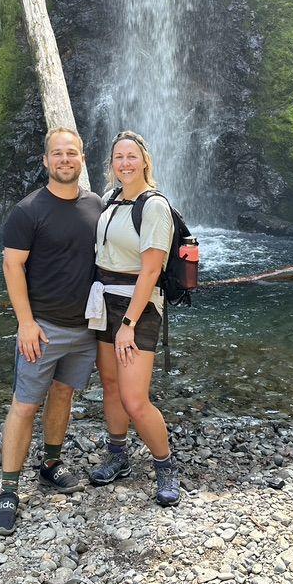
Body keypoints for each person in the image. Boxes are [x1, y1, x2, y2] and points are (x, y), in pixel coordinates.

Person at [0, 127, 103, 536]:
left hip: (85, 329)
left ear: (82, 158)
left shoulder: (96, 206)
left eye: (71, 153)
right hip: (43, 328)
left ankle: (50, 464)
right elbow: (12, 266)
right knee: (24, 404)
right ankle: (8, 490)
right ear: (45, 160)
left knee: (63, 394)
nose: (65, 159)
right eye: (57, 153)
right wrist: (25, 323)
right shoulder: (28, 211)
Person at [85, 130, 181, 506]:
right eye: (118, 157)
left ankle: (165, 465)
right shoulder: (111, 200)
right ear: (112, 164)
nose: (125, 163)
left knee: (135, 399)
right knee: (110, 386)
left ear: (144, 161)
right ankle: (118, 456)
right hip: (103, 302)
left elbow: (151, 270)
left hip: (137, 308)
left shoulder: (153, 206)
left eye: (131, 157)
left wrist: (128, 324)